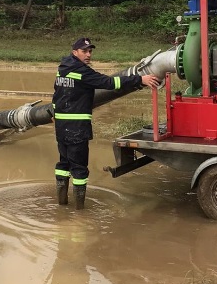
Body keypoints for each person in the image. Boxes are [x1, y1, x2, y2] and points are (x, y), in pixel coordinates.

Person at [52, 37, 159, 210]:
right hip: (77, 128)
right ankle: (79, 213)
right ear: (75, 52)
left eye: (90, 51)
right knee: (79, 169)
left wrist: (56, 114)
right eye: (84, 51)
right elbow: (110, 83)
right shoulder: (82, 72)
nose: (88, 55)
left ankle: (62, 204)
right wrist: (139, 79)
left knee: (63, 164)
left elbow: (57, 95)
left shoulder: (62, 70)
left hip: (61, 127)